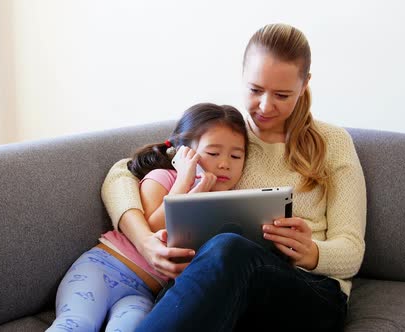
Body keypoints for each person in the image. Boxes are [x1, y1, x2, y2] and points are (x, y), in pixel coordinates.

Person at [101, 23, 366, 331]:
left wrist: (312, 252)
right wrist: (146, 242)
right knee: (217, 259)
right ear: (242, 77)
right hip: (229, 288)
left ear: (305, 83)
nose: (265, 107)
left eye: (282, 94)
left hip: (311, 293)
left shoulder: (333, 143)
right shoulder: (226, 137)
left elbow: (352, 251)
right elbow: (120, 174)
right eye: (255, 90)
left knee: (229, 247)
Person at [47, 103, 248, 332]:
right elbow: (153, 226)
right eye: (213, 153)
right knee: (77, 323)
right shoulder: (163, 177)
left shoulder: (227, 208)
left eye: (236, 156)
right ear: (183, 152)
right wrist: (186, 180)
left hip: (143, 293)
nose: (225, 164)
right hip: (102, 269)